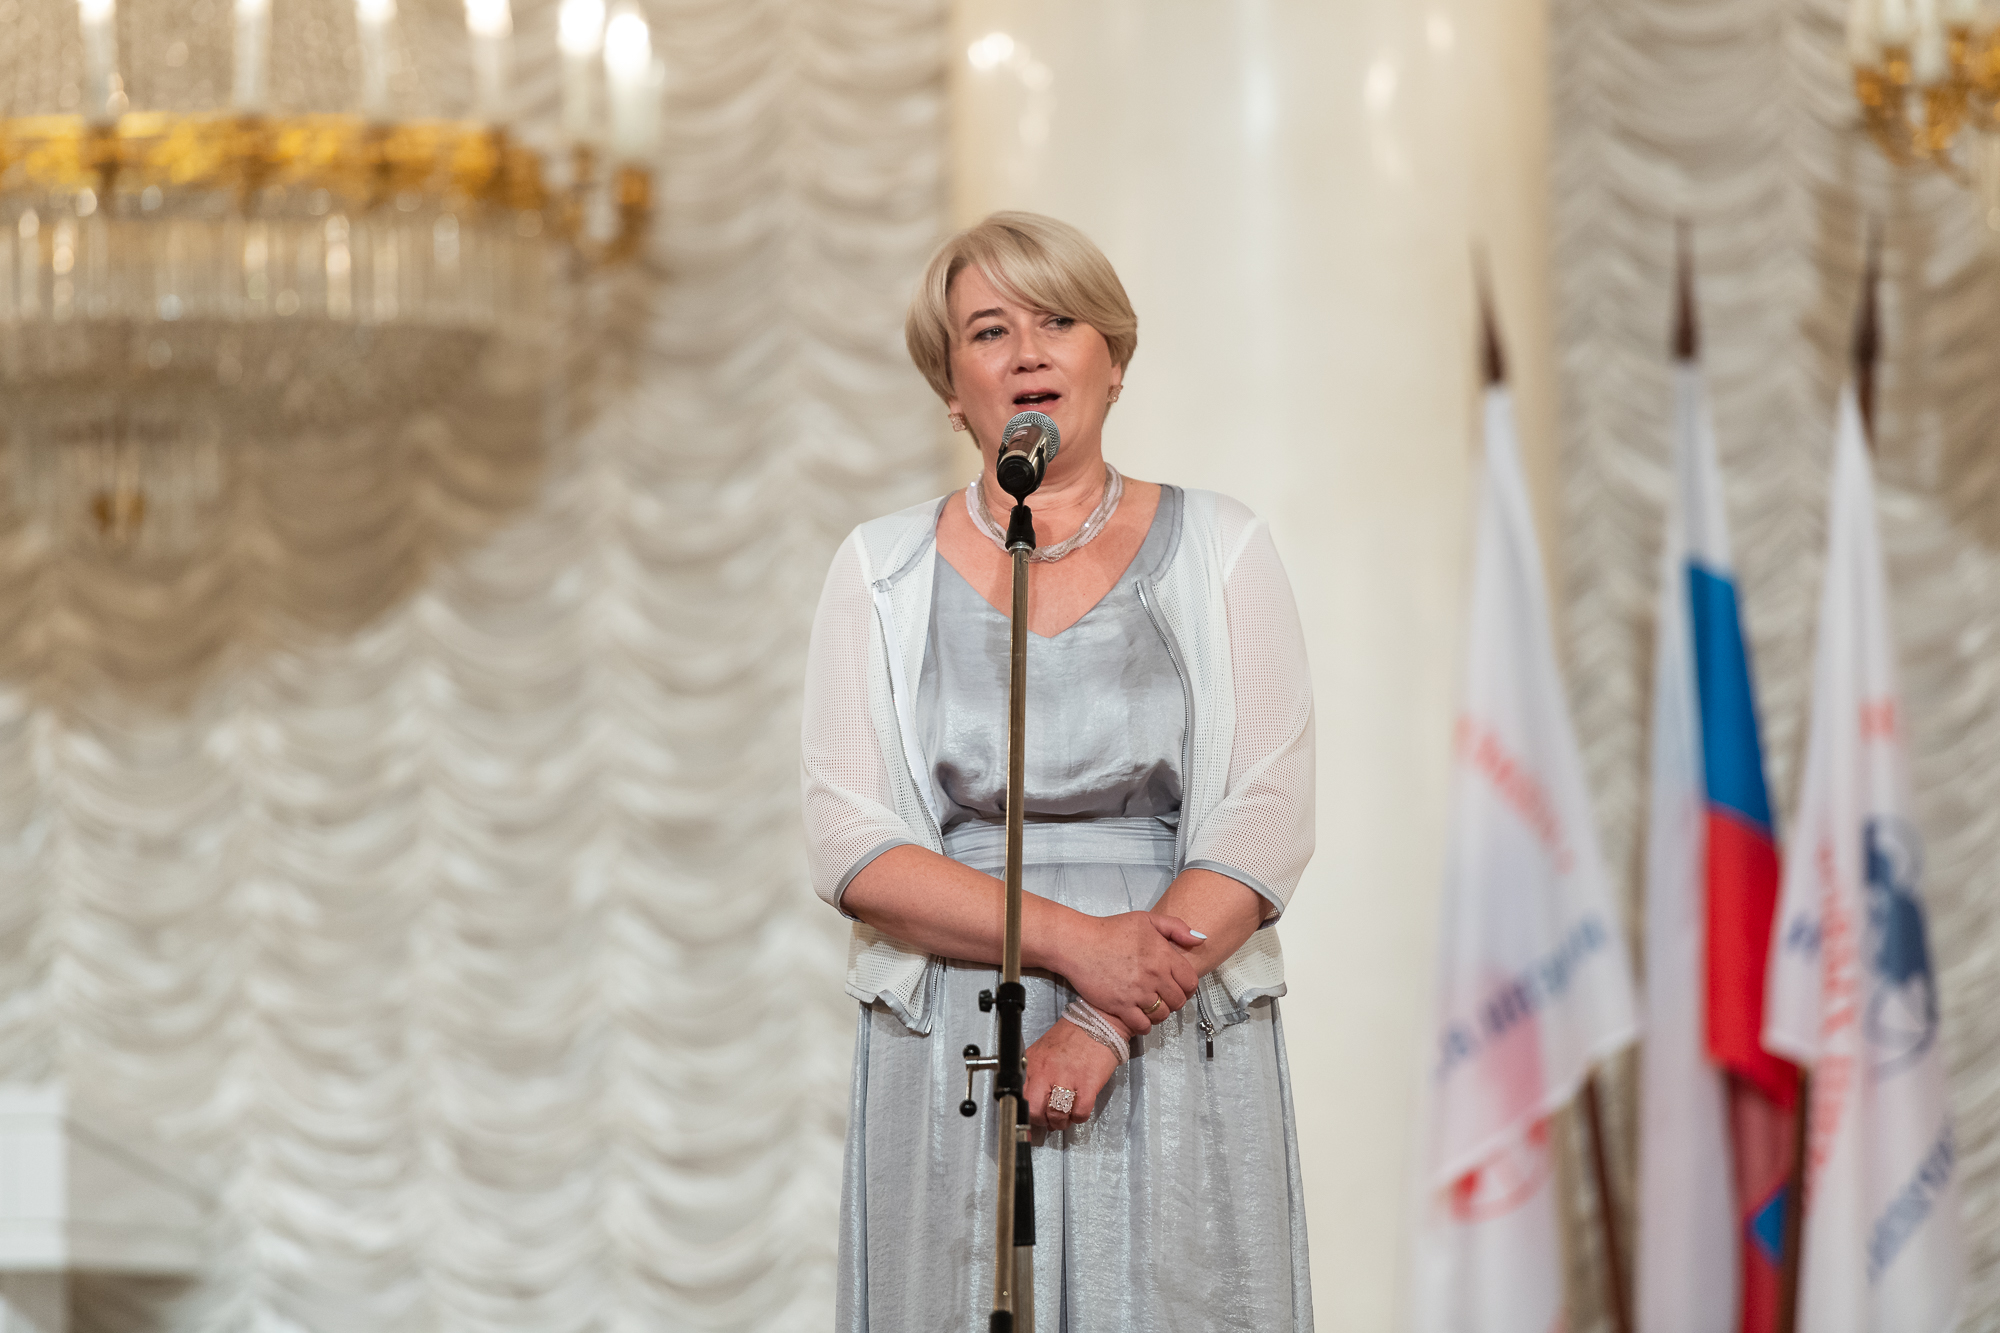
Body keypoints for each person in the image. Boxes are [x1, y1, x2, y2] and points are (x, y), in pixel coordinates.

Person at [802, 211, 1316, 1330]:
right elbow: (850, 839)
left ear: (1113, 360)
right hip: (955, 1020)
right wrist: (1079, 946)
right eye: (989, 331)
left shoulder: (1224, 545)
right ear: (951, 388)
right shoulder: (879, 567)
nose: (1027, 352)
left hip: (1171, 1012)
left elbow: (1266, 815)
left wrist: (1102, 1016)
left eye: (1059, 321)